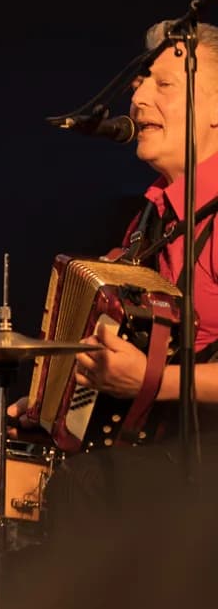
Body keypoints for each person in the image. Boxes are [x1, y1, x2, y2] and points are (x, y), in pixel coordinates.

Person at [72, 21, 218, 411]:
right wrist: (53, 411)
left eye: (164, 84)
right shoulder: (148, 221)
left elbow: (144, 378)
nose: (138, 98)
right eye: (140, 84)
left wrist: (151, 382)